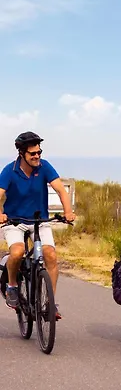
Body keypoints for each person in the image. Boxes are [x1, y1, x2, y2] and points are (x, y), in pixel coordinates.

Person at [0, 131, 76, 318]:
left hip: (40, 221)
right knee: (17, 252)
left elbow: (61, 190)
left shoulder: (44, 166)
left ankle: (50, 303)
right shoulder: (10, 170)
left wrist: (68, 212)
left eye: (39, 152)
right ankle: (12, 286)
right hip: (15, 221)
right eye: (32, 153)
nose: (37, 156)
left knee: (50, 254)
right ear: (22, 153)